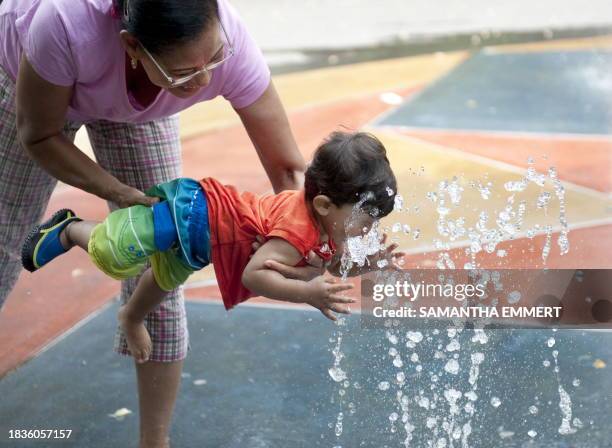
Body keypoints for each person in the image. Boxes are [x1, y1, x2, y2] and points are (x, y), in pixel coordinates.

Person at [0, 0, 310, 446]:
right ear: (133, 47)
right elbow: (39, 134)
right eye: (185, 74)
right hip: (30, 83)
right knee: (3, 240)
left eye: (213, 60)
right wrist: (115, 191)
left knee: (167, 257)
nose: (205, 80)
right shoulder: (64, 24)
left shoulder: (229, 41)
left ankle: (154, 442)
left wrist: (316, 245)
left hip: (139, 105)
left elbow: (288, 173)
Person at [22, 131, 404, 363]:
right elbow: (254, 274)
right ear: (323, 205)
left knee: (163, 278)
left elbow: (334, 269)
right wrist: (306, 292)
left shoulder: (330, 225)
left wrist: (365, 264)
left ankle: (131, 316)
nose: (369, 228)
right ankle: (71, 229)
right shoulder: (298, 230)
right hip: (190, 214)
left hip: (201, 247)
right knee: (114, 252)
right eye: (366, 218)